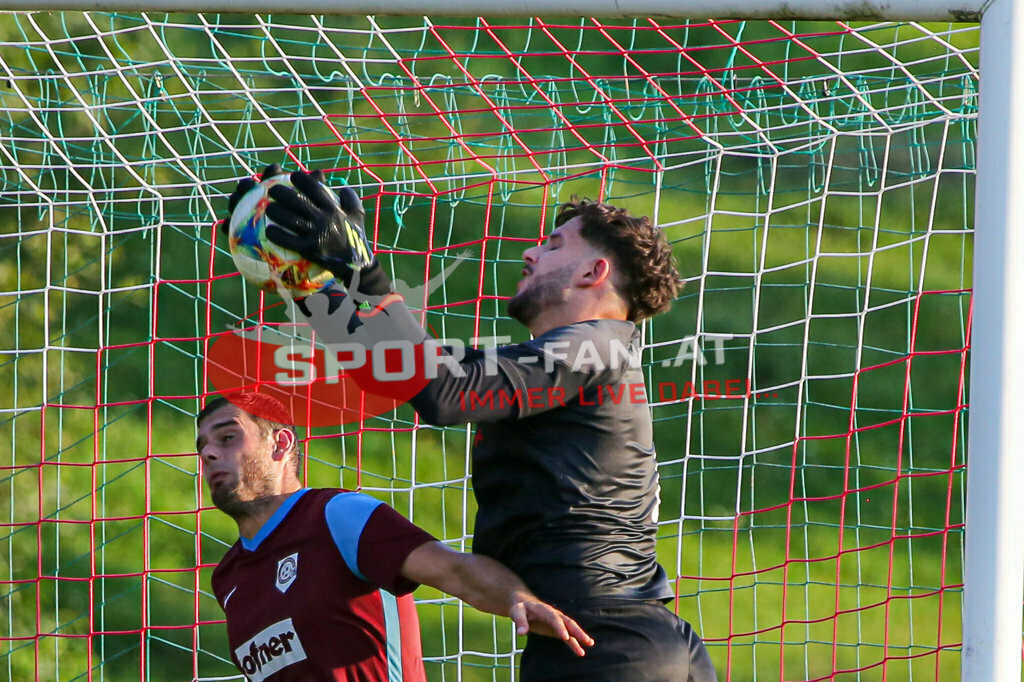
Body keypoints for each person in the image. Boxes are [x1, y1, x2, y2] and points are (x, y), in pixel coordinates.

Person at [227, 166, 717, 680]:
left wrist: (362, 269)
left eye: (552, 245)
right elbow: (394, 371)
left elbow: (443, 391)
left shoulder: (599, 343)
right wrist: (309, 281)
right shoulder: (575, 355)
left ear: (593, 273)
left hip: (603, 643)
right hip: (615, 638)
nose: (530, 253)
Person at [196, 391, 592, 681]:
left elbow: (454, 570)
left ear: (280, 444)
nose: (209, 454)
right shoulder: (228, 577)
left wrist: (516, 599)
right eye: (203, 447)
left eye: (227, 437)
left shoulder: (336, 515)